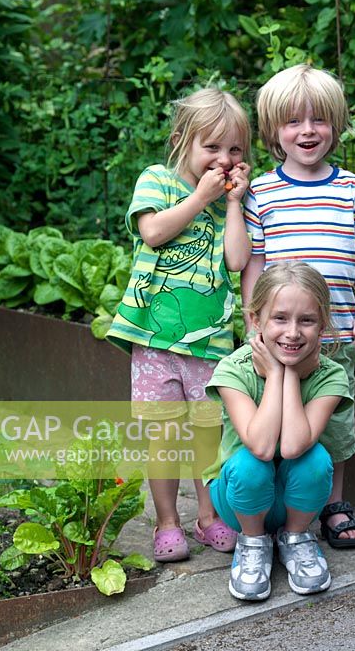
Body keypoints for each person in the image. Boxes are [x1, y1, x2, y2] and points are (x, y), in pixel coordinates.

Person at [241, 64, 355, 550]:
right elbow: (255, 264)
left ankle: (332, 506)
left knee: (335, 426)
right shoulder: (262, 192)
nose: (307, 131)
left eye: (319, 120)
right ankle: (286, 507)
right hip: (282, 338)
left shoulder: (351, 189)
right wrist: (254, 319)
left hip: (334, 333)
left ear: (336, 125)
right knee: (281, 417)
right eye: (293, 122)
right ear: (273, 131)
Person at [107, 87, 251, 562]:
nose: (224, 159)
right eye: (212, 147)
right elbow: (152, 231)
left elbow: (236, 259)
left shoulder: (230, 200)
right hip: (153, 338)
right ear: (181, 140)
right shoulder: (157, 179)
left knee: (208, 431)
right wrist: (201, 197)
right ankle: (167, 522)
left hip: (210, 342)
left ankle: (209, 517)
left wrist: (231, 204)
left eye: (234, 150)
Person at [204, 262, 353, 600]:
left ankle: (296, 538)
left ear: (323, 325)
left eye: (307, 321)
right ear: (256, 320)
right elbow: (261, 446)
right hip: (238, 502)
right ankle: (253, 542)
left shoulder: (330, 376)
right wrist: (275, 374)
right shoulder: (233, 369)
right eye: (280, 318)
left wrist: (287, 374)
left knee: (315, 459)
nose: (293, 332)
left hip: (295, 502)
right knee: (250, 463)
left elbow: (293, 446)